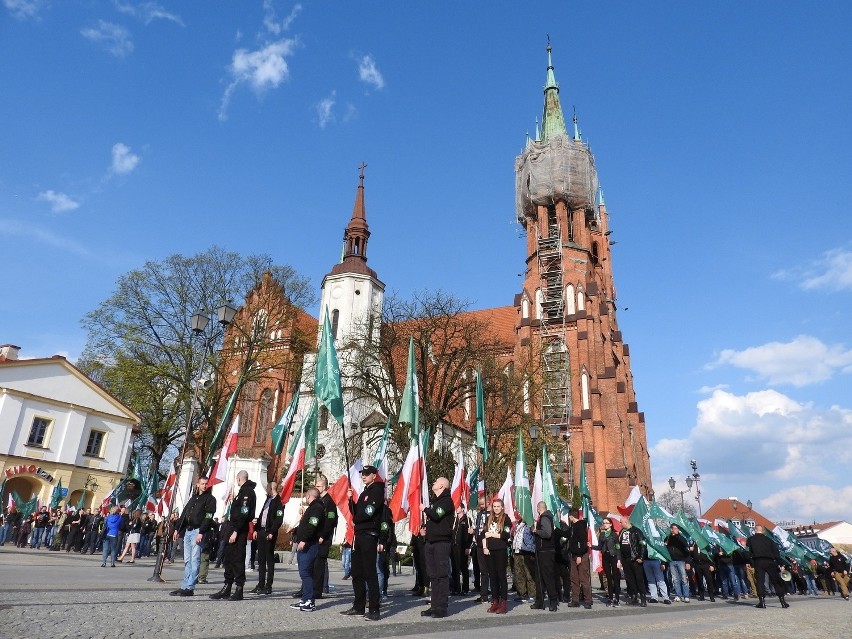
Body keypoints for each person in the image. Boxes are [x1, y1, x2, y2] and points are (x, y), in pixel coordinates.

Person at [340, 464, 385, 621]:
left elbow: (368, 512)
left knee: (369, 572)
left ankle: (374, 609)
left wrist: (357, 520)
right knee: (357, 572)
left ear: (374, 475)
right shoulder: (365, 491)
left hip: (368, 534)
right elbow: (357, 511)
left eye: (366, 474)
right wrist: (351, 500)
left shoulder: (377, 491)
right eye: (362, 474)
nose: (363, 476)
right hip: (359, 535)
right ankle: (358, 606)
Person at [211, 470, 256, 602]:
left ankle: (239, 589)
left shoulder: (247, 492)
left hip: (239, 531)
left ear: (239, 479)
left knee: (237, 559)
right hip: (232, 528)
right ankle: (227, 586)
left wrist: (236, 531)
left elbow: (244, 513)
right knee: (228, 559)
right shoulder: (242, 492)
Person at [169, 475, 216, 597]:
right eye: (202, 483)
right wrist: (177, 529)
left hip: (198, 531)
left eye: (206, 484)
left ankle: (190, 586)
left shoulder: (210, 499)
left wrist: (202, 531)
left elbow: (208, 517)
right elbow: (185, 515)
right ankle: (184, 585)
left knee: (195, 560)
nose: (204, 486)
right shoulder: (193, 498)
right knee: (187, 560)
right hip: (188, 531)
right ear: (198, 484)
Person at [420, 476, 454, 619]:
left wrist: (425, 509)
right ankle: (434, 605)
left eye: (435, 481)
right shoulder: (436, 501)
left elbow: (436, 515)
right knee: (433, 576)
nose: (433, 483)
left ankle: (441, 607)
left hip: (441, 543)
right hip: (431, 542)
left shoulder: (446, 501)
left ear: (441, 486)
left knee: (442, 575)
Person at [289, 487, 325, 612]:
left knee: (305, 572)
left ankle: (309, 600)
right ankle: (304, 599)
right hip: (307, 543)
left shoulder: (316, 508)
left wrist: (304, 539)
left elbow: (312, 525)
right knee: (305, 572)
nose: (305, 499)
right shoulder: (313, 508)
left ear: (309, 496)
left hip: (310, 544)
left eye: (306, 497)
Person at [252, 481, 283, 596]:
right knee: (260, 560)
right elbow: (262, 515)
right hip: (261, 531)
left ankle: (268, 585)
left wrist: (272, 532)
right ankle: (260, 584)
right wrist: (255, 528)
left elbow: (278, 519)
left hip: (269, 533)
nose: (266, 490)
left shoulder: (278, 501)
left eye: (267, 488)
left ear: (271, 488)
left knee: (269, 560)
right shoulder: (268, 499)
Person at [746, 525, 789, 609]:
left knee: (760, 582)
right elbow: (776, 553)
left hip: (758, 561)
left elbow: (749, 552)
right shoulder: (769, 540)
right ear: (763, 531)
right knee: (776, 581)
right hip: (770, 561)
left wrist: (749, 562)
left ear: (755, 530)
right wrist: (780, 564)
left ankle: (762, 602)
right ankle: (783, 602)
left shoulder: (751, 539)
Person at [483, 498, 512, 614]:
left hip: (500, 550)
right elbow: (484, 534)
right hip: (490, 550)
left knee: (501, 576)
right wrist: (485, 547)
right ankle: (495, 600)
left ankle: (503, 602)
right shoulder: (489, 518)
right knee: (492, 576)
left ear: (502, 507)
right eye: (494, 506)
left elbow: (505, 534)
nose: (496, 508)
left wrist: (492, 534)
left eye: (498, 506)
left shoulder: (506, 518)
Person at [313, 476, 338, 601]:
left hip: (324, 538)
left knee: (319, 565)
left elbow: (330, 521)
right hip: (315, 537)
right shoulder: (319, 501)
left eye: (319, 486)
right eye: (316, 486)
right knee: (313, 564)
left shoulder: (329, 502)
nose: (316, 488)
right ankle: (309, 588)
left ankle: (319, 590)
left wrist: (323, 535)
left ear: (325, 487)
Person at [531, 501, 558, 611]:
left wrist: (536, 530)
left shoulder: (545, 517)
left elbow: (547, 533)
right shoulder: (544, 517)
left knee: (547, 577)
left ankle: (553, 601)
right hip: (541, 551)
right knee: (539, 578)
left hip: (546, 552)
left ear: (538, 508)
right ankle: (539, 601)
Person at [618, 515, 647, 606]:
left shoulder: (636, 531)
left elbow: (643, 544)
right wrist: (620, 559)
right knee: (630, 579)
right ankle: (634, 597)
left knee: (639, 579)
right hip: (626, 559)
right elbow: (619, 546)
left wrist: (641, 557)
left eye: (621, 522)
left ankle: (643, 598)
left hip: (635, 559)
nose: (620, 524)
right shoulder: (622, 532)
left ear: (626, 522)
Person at [567, 509, 593, 609]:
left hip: (580, 555)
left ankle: (588, 600)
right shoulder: (573, 526)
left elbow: (582, 542)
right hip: (574, 555)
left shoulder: (580, 526)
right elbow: (567, 534)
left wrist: (579, 555)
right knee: (574, 578)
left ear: (571, 516)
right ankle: (575, 600)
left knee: (583, 578)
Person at [595, 517, 622, 607]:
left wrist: (619, 559)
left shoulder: (614, 535)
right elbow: (599, 547)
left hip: (613, 556)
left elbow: (618, 547)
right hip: (605, 556)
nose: (604, 524)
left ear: (610, 524)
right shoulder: (602, 535)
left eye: (606, 523)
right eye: (604, 523)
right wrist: (591, 546)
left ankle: (617, 598)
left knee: (615, 577)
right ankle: (610, 597)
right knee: (608, 577)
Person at [665, 524, 691, 603]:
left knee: (683, 579)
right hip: (672, 561)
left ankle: (686, 596)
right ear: (671, 529)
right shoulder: (668, 538)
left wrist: (687, 562)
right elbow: (665, 549)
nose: (677, 530)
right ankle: (678, 595)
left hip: (681, 561)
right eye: (675, 528)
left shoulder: (681, 538)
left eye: (677, 528)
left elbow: (687, 550)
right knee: (675, 580)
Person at [471, 496, 490, 604]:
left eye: (482, 504)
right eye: (480, 504)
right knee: (482, 570)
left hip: (489, 544)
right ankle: (484, 595)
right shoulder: (479, 514)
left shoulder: (492, 515)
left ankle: (495, 592)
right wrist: (474, 531)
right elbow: (477, 527)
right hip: (479, 544)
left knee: (489, 570)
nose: (481, 506)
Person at [452, 505, 473, 596]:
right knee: (455, 568)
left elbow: (470, 535)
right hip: (454, 547)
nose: (456, 508)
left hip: (463, 547)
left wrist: (468, 547)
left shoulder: (467, 520)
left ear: (462, 508)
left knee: (463, 568)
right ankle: (456, 588)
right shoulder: (454, 520)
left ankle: (465, 588)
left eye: (458, 506)